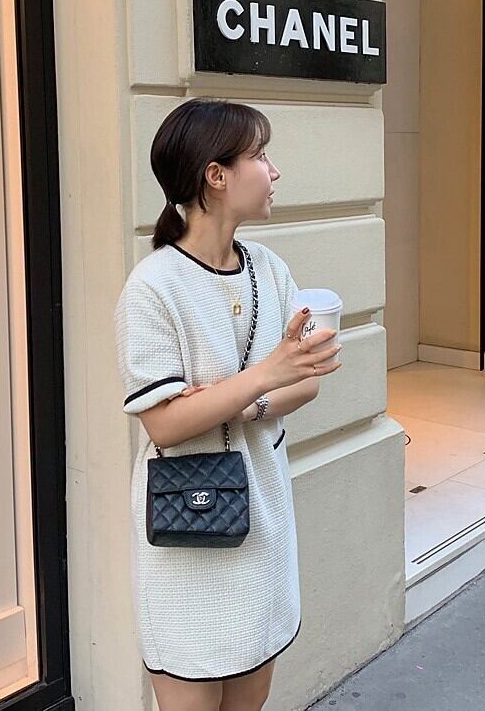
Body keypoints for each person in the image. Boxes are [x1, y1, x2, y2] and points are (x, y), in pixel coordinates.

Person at [113, 98, 342, 711]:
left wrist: (240, 404)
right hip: (186, 532)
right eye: (261, 155)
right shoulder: (154, 287)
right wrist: (265, 377)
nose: (274, 170)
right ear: (216, 175)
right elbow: (164, 422)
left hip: (263, 517)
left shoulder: (268, 268)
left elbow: (307, 381)